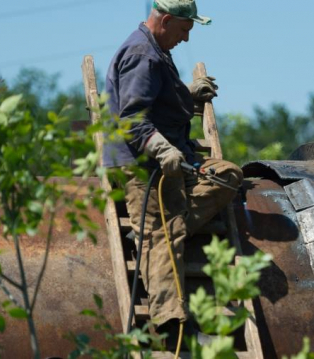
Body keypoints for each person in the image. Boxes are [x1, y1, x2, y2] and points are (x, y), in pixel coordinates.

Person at [104, 0, 243, 338]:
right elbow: (132, 119)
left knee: (227, 176)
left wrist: (187, 93)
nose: (186, 39)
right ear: (165, 21)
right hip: (141, 165)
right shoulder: (143, 55)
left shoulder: (156, 51)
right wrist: (160, 147)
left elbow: (158, 98)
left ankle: (156, 227)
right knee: (164, 233)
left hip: (173, 159)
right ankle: (169, 324)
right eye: (184, 30)